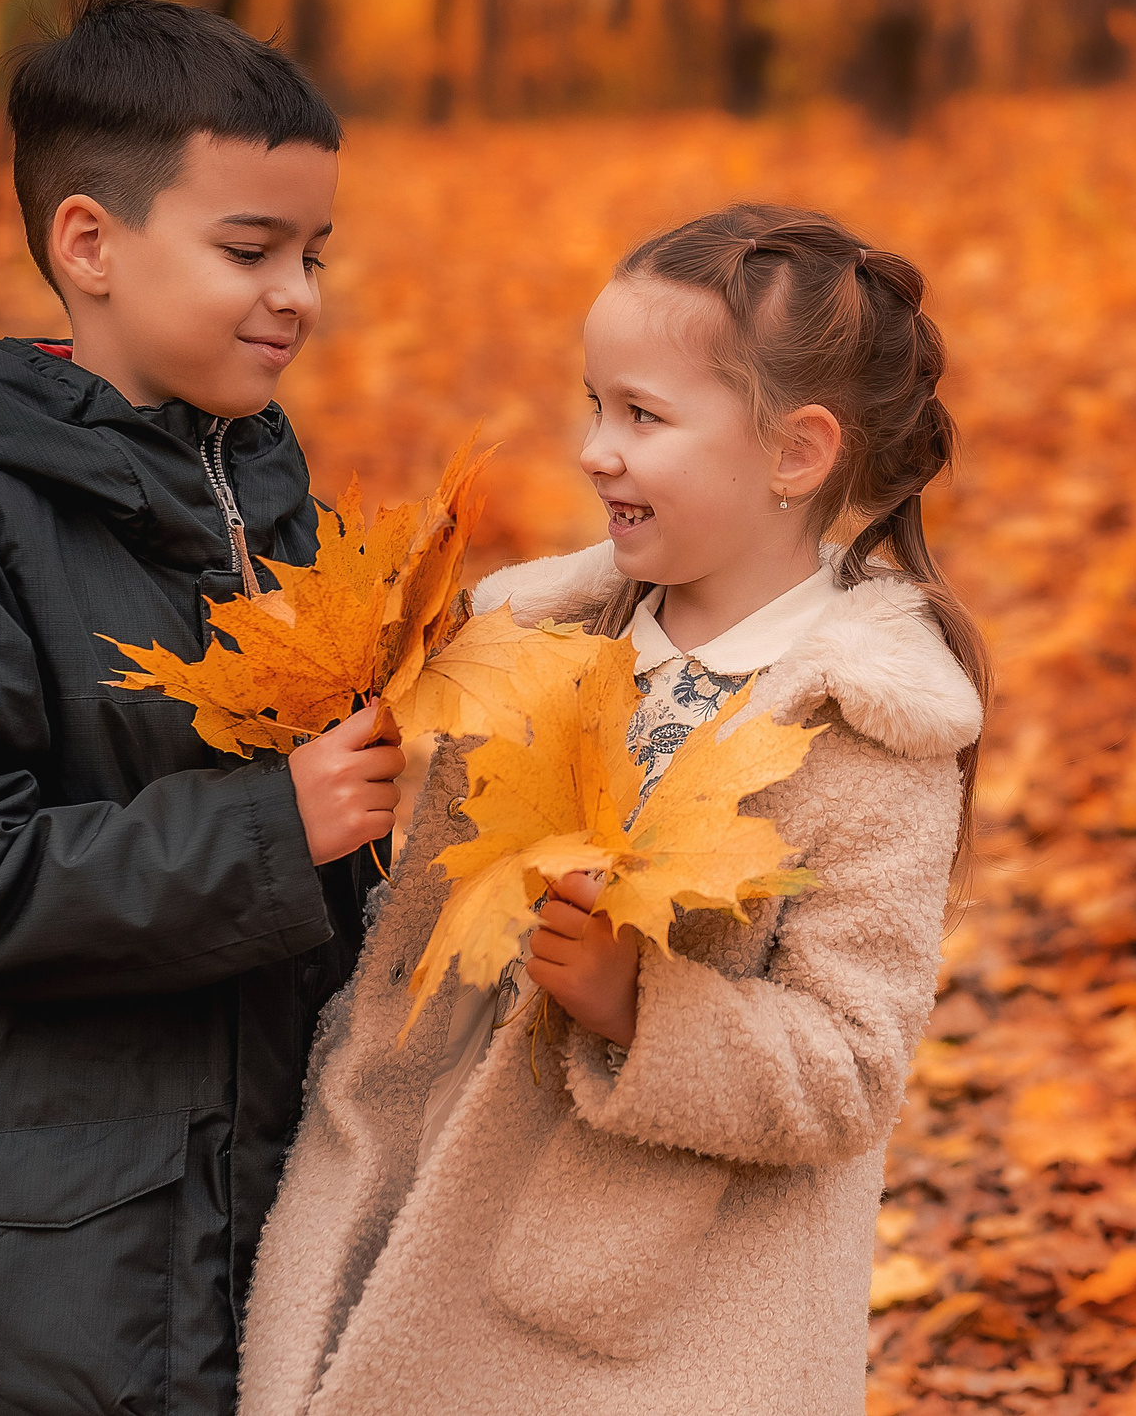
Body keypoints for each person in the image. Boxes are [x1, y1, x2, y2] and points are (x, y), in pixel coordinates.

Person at [240, 205, 991, 1416]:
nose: (596, 447)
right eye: (594, 404)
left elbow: (852, 1067)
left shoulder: (865, 731)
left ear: (796, 453)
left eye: (642, 416)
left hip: (639, 1322)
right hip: (397, 1209)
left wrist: (642, 1007)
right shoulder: (532, 638)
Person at [0, 0, 406, 1414]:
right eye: (249, 249)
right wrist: (276, 831)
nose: (297, 294)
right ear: (89, 244)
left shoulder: (275, 516)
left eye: (313, 253)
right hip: (32, 1269)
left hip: (240, 1201)